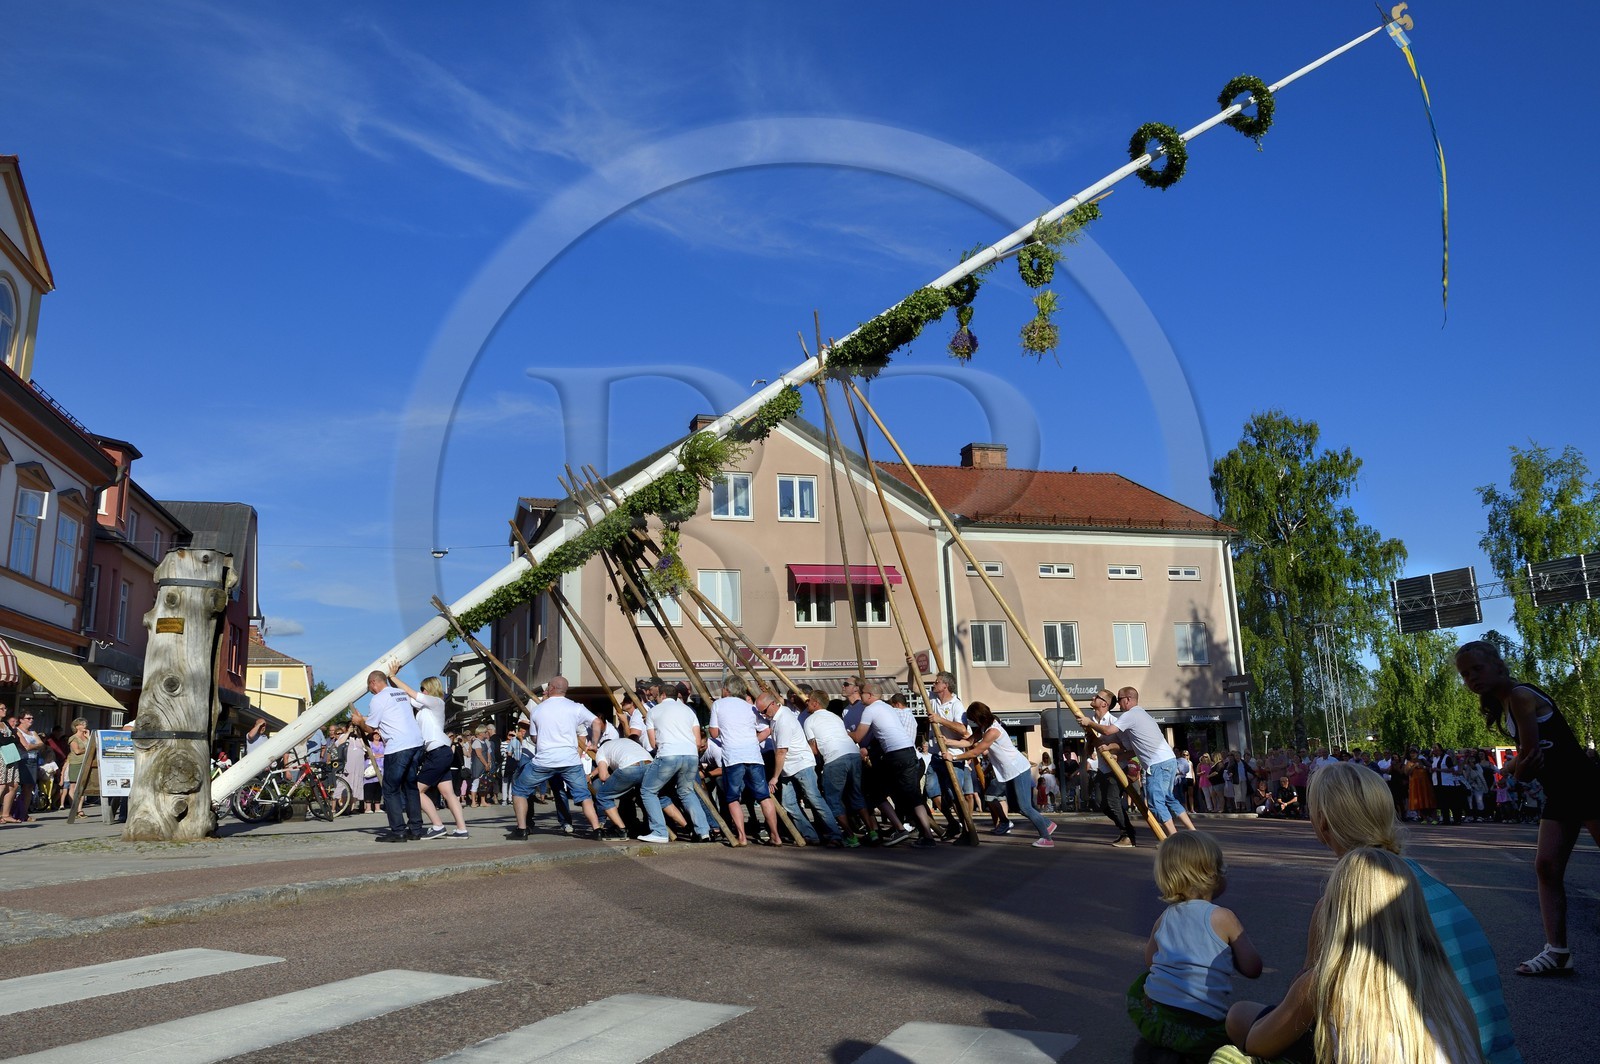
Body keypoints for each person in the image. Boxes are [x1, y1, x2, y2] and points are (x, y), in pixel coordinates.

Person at [1217, 848, 1481, 1064]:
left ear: (1337, 914)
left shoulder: (1328, 982)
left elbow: (1257, 1043)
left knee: (1228, 1056)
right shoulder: (1446, 983)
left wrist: (1311, 965)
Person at [1457, 640, 1600, 977]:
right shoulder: (1506, 704)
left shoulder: (1520, 697)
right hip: (1562, 793)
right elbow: (1526, 756)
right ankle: (1558, 952)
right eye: (1465, 674)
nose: (1472, 678)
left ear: (1497, 664)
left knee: (1547, 868)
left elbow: (1530, 761)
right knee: (1546, 868)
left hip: (1587, 787)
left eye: (1477, 669)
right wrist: (1507, 769)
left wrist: (1514, 773)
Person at [1129, 831, 1261, 1057]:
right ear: (1213, 874)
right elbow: (1252, 967)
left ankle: (1160, 1040)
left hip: (1156, 1013)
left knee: (1141, 983)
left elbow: (1150, 960)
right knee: (1235, 1032)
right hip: (1203, 1024)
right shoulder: (1224, 917)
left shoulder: (1166, 916)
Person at [1083, 688, 1194, 836]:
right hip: (1168, 760)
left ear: (1128, 699)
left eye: (1120, 698)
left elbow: (1108, 731)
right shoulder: (1141, 714)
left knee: (1155, 804)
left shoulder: (1131, 714)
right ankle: (1193, 832)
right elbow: (1134, 748)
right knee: (1169, 798)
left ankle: (1173, 839)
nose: (1119, 703)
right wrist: (1119, 757)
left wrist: (1089, 723)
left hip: (1157, 764)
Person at [508, 676, 605, 840]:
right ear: (565, 690)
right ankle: (597, 830)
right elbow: (596, 721)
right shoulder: (576, 707)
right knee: (584, 796)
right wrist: (594, 742)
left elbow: (533, 738)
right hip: (570, 760)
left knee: (519, 789)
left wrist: (545, 741)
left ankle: (522, 829)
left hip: (544, 760)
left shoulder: (538, 710)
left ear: (551, 688)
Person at [950, 702, 1055, 848]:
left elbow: (975, 751)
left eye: (973, 719)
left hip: (1018, 769)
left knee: (1025, 807)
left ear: (979, 717)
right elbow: (969, 742)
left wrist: (953, 757)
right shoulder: (984, 728)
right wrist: (948, 742)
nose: (973, 722)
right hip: (1010, 772)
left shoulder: (992, 731)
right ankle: (1047, 824)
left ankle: (1046, 837)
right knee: (1015, 806)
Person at [848, 681, 936, 846]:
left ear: (871, 695)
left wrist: (842, 732)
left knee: (876, 793)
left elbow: (858, 737)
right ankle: (927, 836)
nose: (860, 696)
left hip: (895, 755)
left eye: (863, 693)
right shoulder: (888, 708)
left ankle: (901, 830)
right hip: (909, 752)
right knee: (913, 796)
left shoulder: (870, 710)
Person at [387, 673, 469, 839]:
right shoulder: (425, 706)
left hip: (438, 752)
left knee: (416, 791)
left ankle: (438, 825)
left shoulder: (436, 702)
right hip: (440, 752)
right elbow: (405, 694)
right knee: (448, 792)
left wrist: (393, 676)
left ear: (429, 689)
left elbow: (410, 692)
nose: (421, 691)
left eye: (423, 689)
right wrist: (391, 680)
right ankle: (461, 829)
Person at [350, 666, 427, 841]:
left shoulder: (378, 699)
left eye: (369, 687)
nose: (370, 690)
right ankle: (415, 829)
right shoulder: (400, 693)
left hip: (398, 746)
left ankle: (398, 831)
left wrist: (360, 721)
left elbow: (371, 729)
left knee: (390, 789)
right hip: (416, 742)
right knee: (410, 786)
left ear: (373, 683)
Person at [761, 688, 843, 847]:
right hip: (789, 767)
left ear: (772, 705)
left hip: (801, 764)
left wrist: (775, 777)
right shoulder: (776, 716)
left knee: (814, 799)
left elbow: (781, 752)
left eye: (764, 711)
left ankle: (835, 835)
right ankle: (810, 834)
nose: (763, 715)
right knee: (789, 803)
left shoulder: (784, 719)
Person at [708, 676, 782, 847]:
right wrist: (752, 740)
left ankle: (742, 837)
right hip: (754, 756)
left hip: (732, 756)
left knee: (733, 797)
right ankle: (775, 835)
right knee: (764, 796)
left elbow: (713, 733)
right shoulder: (750, 708)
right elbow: (766, 730)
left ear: (726, 689)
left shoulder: (718, 705)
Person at [639, 682, 711, 844]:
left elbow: (652, 743)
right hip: (691, 755)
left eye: (657, 696)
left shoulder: (653, 711)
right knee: (687, 792)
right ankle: (703, 831)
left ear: (663, 695)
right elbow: (698, 741)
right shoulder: (688, 711)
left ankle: (659, 831)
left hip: (668, 754)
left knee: (648, 791)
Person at [805, 695, 867, 847]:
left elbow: (814, 749)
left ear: (815, 703)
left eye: (808, 701)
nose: (806, 703)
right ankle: (873, 831)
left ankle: (850, 836)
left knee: (833, 799)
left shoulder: (809, 720)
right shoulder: (836, 717)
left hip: (834, 758)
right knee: (856, 794)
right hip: (853, 753)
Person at [1085, 688, 1138, 846]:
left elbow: (1126, 746)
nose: (1093, 697)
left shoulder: (1114, 722)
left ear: (1104, 703)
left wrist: (1109, 747)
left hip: (1117, 768)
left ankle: (1128, 835)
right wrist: (1089, 740)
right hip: (1102, 769)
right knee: (1102, 803)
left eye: (1097, 696)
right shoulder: (1092, 722)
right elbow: (1089, 751)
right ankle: (1125, 831)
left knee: (1113, 802)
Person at [61, 718, 91, 809]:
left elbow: (93, 747)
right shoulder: (73, 738)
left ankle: (80, 808)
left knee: (82, 786)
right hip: (76, 763)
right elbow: (77, 751)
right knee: (73, 785)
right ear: (76, 726)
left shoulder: (86, 737)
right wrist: (87, 749)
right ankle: (74, 807)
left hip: (85, 762)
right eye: (82, 724)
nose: (84, 725)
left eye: (85, 723)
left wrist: (89, 738)